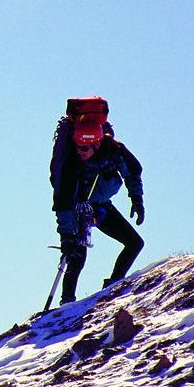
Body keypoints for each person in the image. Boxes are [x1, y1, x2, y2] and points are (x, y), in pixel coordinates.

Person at [53, 110, 145, 305]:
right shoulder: (71, 165)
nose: (80, 152)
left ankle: (113, 285)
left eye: (84, 149)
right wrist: (67, 235)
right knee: (76, 254)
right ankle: (67, 303)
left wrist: (137, 199)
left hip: (101, 206)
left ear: (97, 144)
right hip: (79, 208)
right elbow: (63, 203)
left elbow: (133, 172)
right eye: (77, 147)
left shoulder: (115, 152)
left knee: (135, 243)